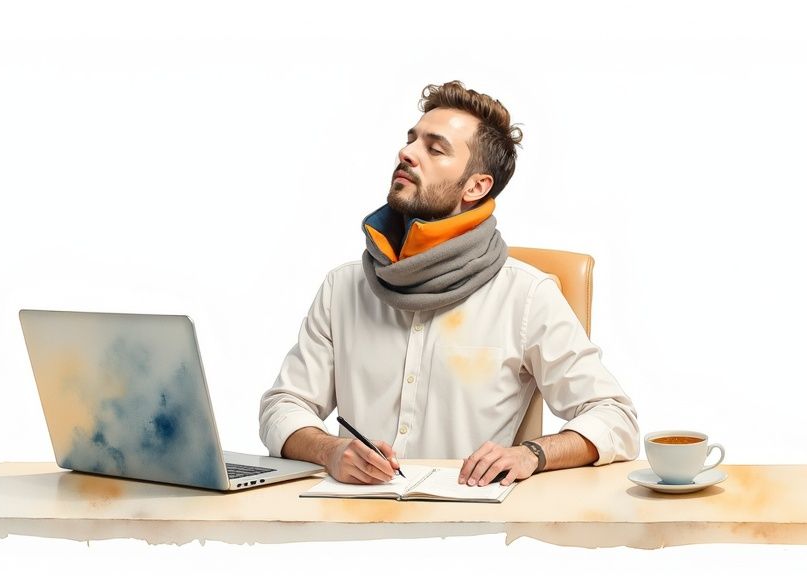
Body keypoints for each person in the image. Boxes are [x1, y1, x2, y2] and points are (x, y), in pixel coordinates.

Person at [259, 80, 639, 488]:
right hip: (352, 527)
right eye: (412, 140)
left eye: (434, 148)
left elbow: (615, 418)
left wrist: (533, 454)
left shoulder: (525, 295)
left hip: (470, 534)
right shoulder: (343, 288)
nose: (407, 153)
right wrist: (329, 450)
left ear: (476, 186)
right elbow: (284, 405)